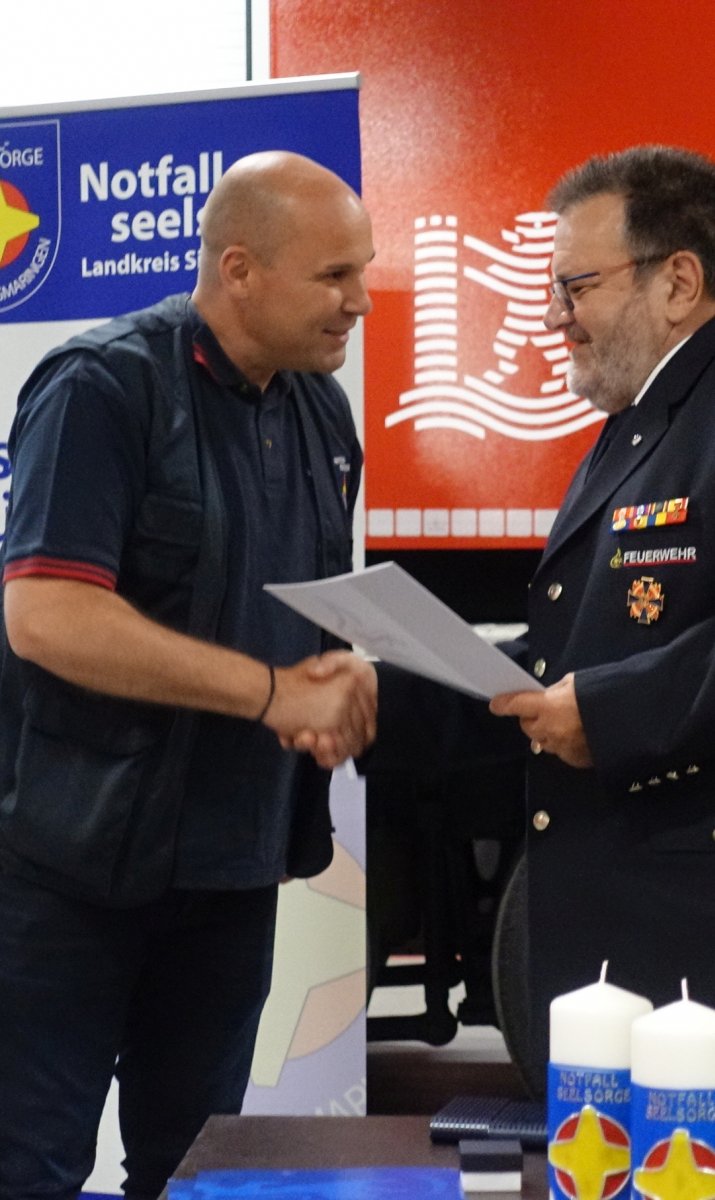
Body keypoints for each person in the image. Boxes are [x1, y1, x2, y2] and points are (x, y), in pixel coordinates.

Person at [367, 145, 715, 1082]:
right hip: (625, 932)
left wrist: (610, 711)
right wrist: (378, 697)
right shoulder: (635, 428)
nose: (554, 317)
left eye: (575, 287)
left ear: (678, 281)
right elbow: (560, 665)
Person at [0, 151, 378, 1200]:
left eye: (363, 272)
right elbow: (47, 615)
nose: (359, 302)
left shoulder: (322, 414)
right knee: (29, 1168)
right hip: (65, 874)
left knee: (196, 1174)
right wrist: (273, 693)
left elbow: (298, 604)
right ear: (239, 270)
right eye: (334, 276)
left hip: (229, 869)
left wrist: (340, 671)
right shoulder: (101, 386)